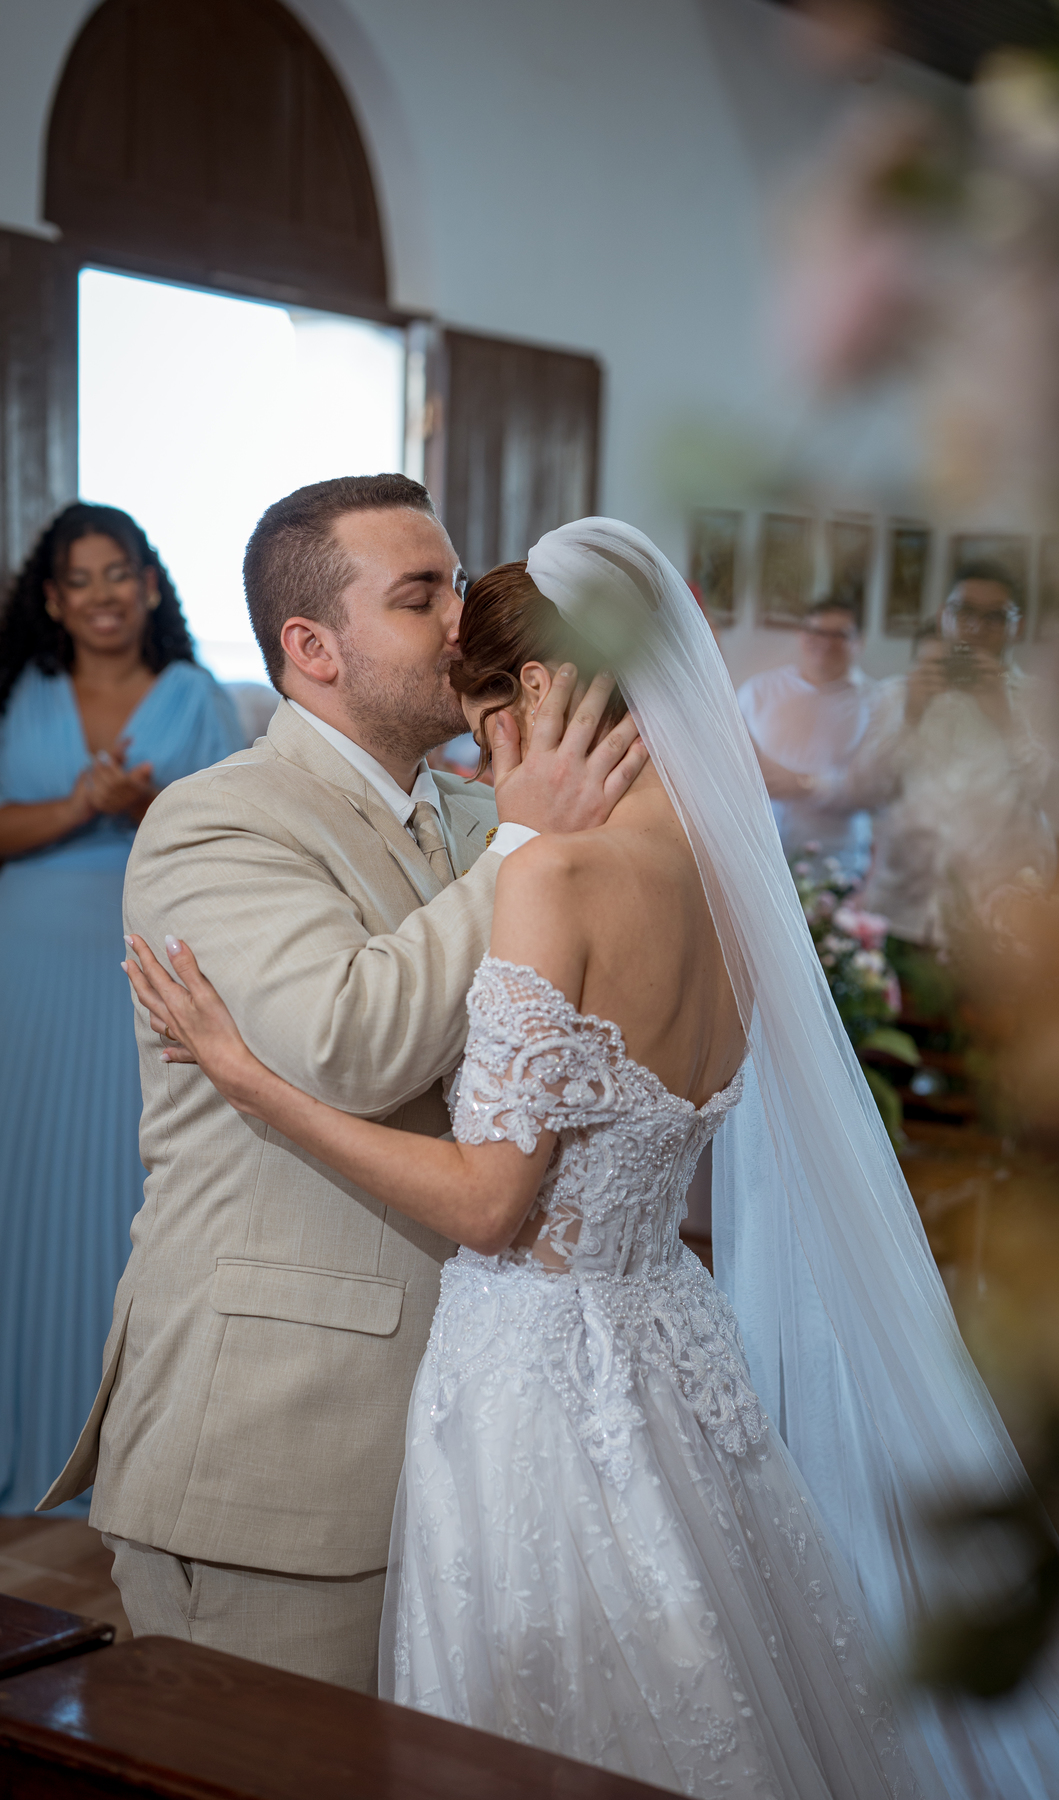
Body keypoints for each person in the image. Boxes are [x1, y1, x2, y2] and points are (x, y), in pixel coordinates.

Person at [121, 519, 1059, 1799]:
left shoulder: (546, 867)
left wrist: (249, 1080)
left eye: (484, 709)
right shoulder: (731, 883)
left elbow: (490, 1200)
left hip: (531, 1371)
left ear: (535, 697)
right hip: (670, 1346)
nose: (477, 745)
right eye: (425, 594)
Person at [39, 474, 646, 1697]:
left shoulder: (473, 818)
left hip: (471, 1434)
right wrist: (526, 846)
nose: (466, 624)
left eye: (461, 585)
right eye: (423, 598)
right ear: (312, 649)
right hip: (276, 1449)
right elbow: (354, 1043)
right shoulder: (219, 825)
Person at [0, 504, 239, 1519]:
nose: (102, 595)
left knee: (123, 1192)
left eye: (118, 573)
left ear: (148, 583)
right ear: (53, 599)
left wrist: (144, 808)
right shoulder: (17, 691)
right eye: (80, 579)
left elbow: (234, 840)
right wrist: (79, 807)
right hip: (19, 983)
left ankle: (119, 1454)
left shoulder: (197, 699)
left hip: (141, 977)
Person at [815, 563, 1059, 948]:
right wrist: (909, 720)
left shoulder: (1044, 704)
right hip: (897, 918)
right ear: (944, 616)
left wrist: (1010, 726)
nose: (976, 627)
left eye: (995, 616)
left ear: (1019, 625)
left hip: (996, 931)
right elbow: (859, 792)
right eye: (963, 612)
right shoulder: (895, 696)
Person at [737, 597, 877, 875]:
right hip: (760, 858)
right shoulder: (759, 691)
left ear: (858, 641)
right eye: (816, 631)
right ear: (801, 635)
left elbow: (876, 787)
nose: (825, 642)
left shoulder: (876, 703)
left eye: (839, 634)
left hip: (836, 862)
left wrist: (807, 785)